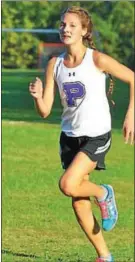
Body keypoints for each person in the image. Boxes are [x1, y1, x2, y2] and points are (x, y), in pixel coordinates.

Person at [29, 6, 134, 262]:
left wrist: (131, 114)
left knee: (67, 184)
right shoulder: (54, 64)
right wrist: (37, 96)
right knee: (77, 200)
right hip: (69, 137)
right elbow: (44, 111)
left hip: (96, 135)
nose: (66, 29)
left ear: (84, 31)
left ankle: (104, 194)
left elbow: (133, 78)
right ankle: (104, 256)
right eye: (63, 24)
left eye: (72, 25)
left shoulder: (96, 59)